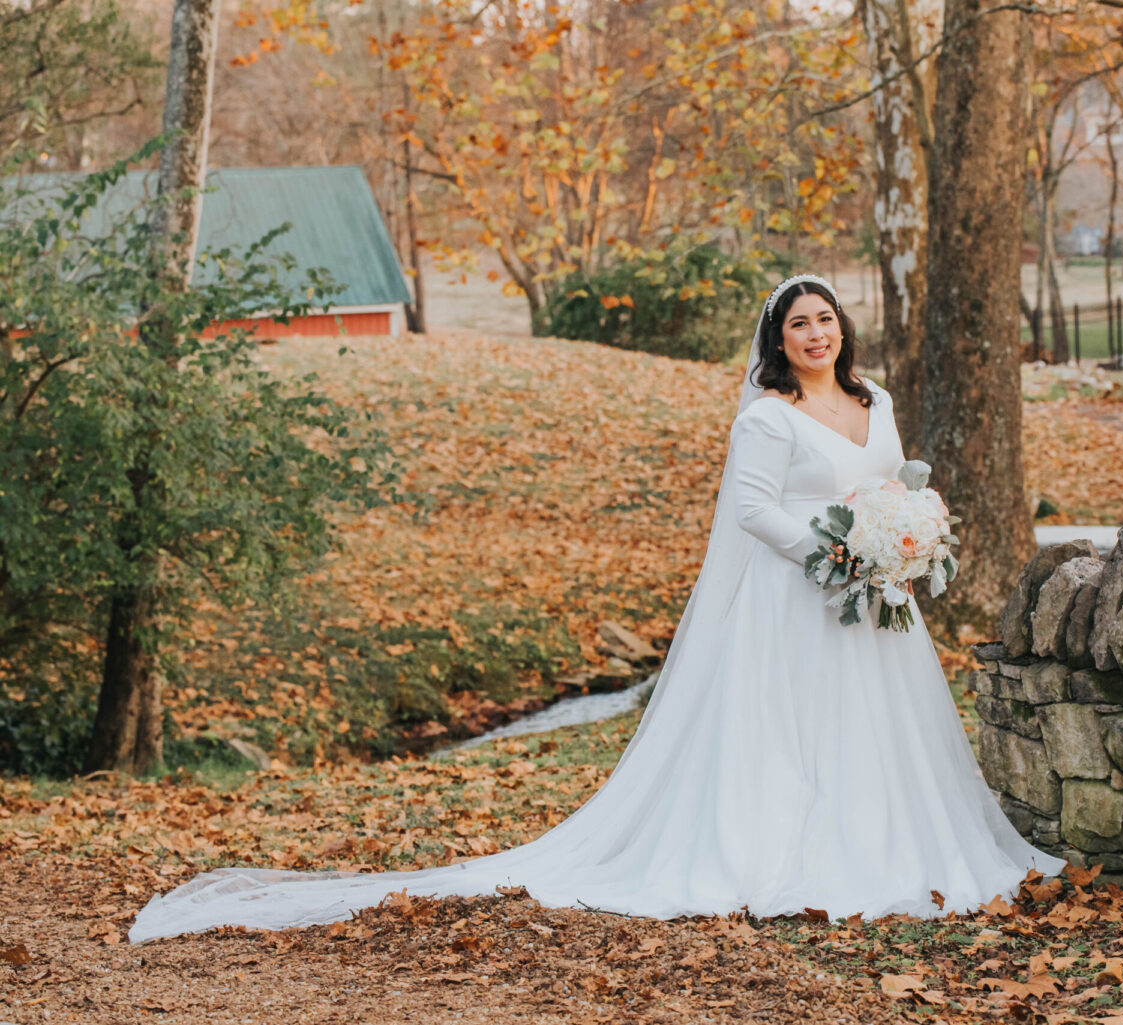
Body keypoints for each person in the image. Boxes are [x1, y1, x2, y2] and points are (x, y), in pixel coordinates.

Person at [127, 272, 1064, 944]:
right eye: (798, 324)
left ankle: (899, 841)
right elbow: (748, 512)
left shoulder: (877, 397)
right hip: (796, 600)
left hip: (879, 608)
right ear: (778, 340)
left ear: (843, 330)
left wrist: (901, 537)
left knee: (879, 733)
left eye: (826, 320)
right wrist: (835, 550)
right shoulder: (766, 417)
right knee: (797, 737)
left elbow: (892, 481)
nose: (815, 334)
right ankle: (798, 853)